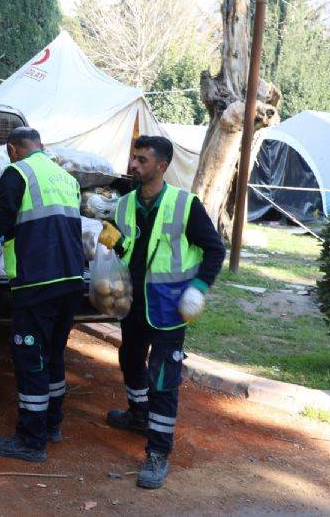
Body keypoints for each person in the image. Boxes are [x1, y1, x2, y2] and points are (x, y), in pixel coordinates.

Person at [99, 135, 225, 490]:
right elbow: (131, 246)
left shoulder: (186, 205)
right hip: (133, 303)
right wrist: (113, 240)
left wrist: (198, 289)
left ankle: (158, 452)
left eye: (142, 160)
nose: (134, 165)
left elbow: (215, 250)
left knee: (162, 379)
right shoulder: (124, 205)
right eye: (133, 158)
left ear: (162, 166)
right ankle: (138, 415)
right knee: (130, 359)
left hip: (169, 308)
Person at [0, 127, 84, 463]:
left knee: (30, 360)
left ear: (13, 149)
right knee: (53, 355)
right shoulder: (65, 177)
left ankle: (30, 440)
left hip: (37, 283)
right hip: (70, 281)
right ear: (42, 146)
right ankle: (52, 424)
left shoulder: (17, 172)